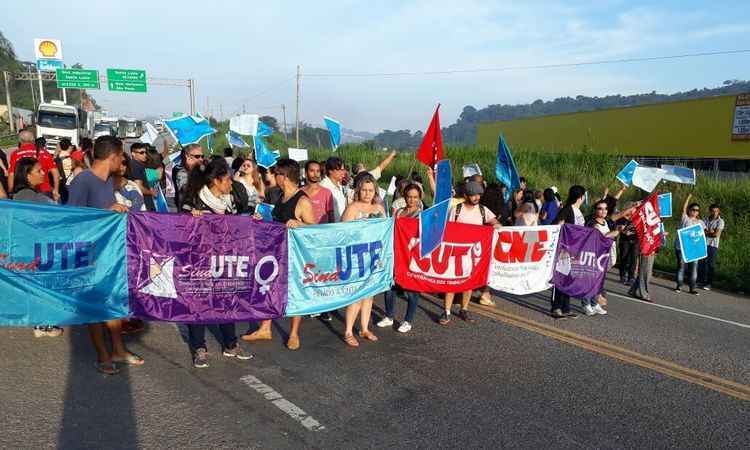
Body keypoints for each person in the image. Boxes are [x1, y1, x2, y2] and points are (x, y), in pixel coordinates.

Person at [67, 136, 144, 375]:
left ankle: (118, 349)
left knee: (113, 304)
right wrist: (106, 211)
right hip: (88, 255)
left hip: (109, 254)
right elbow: (72, 220)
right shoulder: (83, 181)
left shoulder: (107, 180)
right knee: (95, 307)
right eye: (121, 156)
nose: (123, 161)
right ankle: (102, 355)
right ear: (112, 156)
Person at [181, 158, 252, 368]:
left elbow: (239, 224)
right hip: (199, 260)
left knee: (226, 299)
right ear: (216, 181)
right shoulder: (193, 200)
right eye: (228, 180)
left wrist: (252, 220)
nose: (232, 183)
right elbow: (180, 230)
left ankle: (231, 344)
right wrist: (190, 219)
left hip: (224, 259)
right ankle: (199, 348)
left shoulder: (233, 199)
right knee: (198, 303)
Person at [243, 158, 315, 350]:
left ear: (285, 176)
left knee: (294, 293)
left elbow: (315, 230)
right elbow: (275, 222)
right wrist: (261, 218)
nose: (274, 177)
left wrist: (299, 224)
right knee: (268, 286)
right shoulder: (278, 195)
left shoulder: (302, 201)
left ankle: (293, 333)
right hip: (275, 253)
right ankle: (265, 328)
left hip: (294, 255)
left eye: (277, 174)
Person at [10, 157, 64, 337]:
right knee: (42, 285)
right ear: (27, 175)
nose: (43, 173)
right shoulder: (30, 197)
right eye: (39, 171)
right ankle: (44, 325)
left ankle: (41, 324)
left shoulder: (23, 195)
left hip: (32, 248)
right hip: (36, 249)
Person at [439, 181, 501, 325]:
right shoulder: (457, 209)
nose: (476, 198)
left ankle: (464, 309)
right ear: (466, 195)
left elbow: (494, 222)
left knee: (469, 284)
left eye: (478, 195)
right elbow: (448, 229)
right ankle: (446, 311)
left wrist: (499, 227)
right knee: (452, 282)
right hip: (456, 251)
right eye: (473, 195)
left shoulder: (482, 210)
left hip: (474, 253)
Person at [340, 172, 386, 346]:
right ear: (359, 191)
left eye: (371, 190)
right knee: (356, 295)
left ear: (375, 192)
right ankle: (348, 331)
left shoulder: (379, 209)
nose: (367, 193)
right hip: (356, 256)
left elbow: (385, 231)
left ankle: (364, 328)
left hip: (373, 257)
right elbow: (342, 232)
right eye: (364, 190)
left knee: (369, 295)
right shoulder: (353, 208)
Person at [377, 183, 423, 333]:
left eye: (415, 197)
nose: (412, 200)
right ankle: (389, 316)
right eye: (409, 197)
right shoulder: (398, 213)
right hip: (396, 254)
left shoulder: (423, 215)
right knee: (390, 286)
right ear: (405, 197)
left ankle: (408, 320)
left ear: (419, 198)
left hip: (413, 256)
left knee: (412, 289)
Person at [583, 200, 631, 315]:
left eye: (605, 208)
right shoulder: (592, 223)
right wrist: (614, 233)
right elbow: (600, 237)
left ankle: (594, 303)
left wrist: (634, 206)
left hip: (604, 256)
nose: (603, 211)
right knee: (590, 280)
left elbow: (619, 215)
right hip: (593, 255)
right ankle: (586, 304)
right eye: (600, 208)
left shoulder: (606, 221)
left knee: (599, 281)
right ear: (595, 210)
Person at [550, 185, 587, 319]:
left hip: (575, 250)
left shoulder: (579, 212)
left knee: (569, 280)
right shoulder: (567, 209)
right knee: (561, 278)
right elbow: (556, 224)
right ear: (581, 197)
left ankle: (566, 307)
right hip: (564, 250)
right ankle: (556, 307)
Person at [8, 129, 60, 202]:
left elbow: (11, 174)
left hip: (25, 192)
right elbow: (56, 174)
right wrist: (56, 190)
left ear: (20, 141)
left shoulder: (16, 154)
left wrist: (11, 191)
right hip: (45, 190)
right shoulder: (44, 152)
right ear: (33, 140)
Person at [674, 194, 704, 295]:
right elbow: (683, 209)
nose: (695, 211)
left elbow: (701, 235)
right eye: (693, 209)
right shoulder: (685, 218)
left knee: (694, 268)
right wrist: (688, 197)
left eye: (697, 210)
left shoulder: (700, 222)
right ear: (689, 210)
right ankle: (679, 286)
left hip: (693, 248)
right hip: (681, 247)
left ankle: (692, 288)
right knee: (681, 267)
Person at [172, 143, 204, 211]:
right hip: (187, 212)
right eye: (197, 156)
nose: (201, 159)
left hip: (200, 210)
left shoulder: (199, 169)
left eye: (202, 156)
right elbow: (184, 189)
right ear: (187, 156)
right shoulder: (180, 170)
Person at [699, 204, 724, 290]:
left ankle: (709, 283)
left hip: (713, 245)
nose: (714, 213)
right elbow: (700, 231)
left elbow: (716, 235)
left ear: (718, 211)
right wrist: (709, 232)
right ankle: (701, 281)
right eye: (713, 211)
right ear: (709, 211)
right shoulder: (704, 220)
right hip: (703, 244)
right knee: (701, 263)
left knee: (711, 265)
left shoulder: (720, 221)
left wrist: (707, 232)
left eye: (716, 211)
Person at [301, 160, 334, 224]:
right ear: (306, 173)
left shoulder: (327, 192)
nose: (315, 174)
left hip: (322, 231)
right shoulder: (299, 192)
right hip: (305, 231)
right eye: (312, 171)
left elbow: (331, 216)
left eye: (318, 171)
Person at [615, 202, 639, 284]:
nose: (633, 211)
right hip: (624, 241)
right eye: (632, 209)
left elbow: (641, 230)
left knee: (634, 259)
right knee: (624, 258)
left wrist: (633, 232)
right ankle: (622, 275)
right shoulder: (622, 218)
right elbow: (618, 228)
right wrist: (624, 230)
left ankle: (631, 277)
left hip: (635, 241)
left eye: (635, 209)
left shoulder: (638, 218)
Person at [128, 142, 156, 211]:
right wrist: (151, 192)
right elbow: (138, 186)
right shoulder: (135, 166)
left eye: (145, 152)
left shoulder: (140, 164)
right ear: (133, 154)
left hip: (146, 202)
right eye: (141, 153)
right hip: (143, 204)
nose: (145, 155)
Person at [320, 156, 348, 222]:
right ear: (330, 171)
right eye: (340, 170)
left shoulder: (339, 185)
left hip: (341, 225)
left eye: (343, 169)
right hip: (332, 227)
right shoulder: (324, 186)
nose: (343, 172)